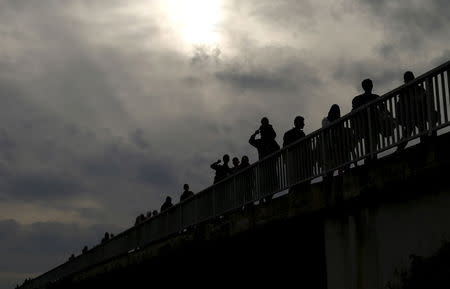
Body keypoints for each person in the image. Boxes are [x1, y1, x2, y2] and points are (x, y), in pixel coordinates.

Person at [396, 71, 437, 151]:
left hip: (417, 113)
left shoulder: (409, 89)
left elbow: (425, 99)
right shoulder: (405, 91)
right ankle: (400, 148)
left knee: (413, 130)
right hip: (412, 115)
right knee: (414, 130)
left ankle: (400, 148)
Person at [249, 117, 280, 203]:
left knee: (270, 183)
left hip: (269, 165)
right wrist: (255, 133)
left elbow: (276, 145)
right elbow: (251, 141)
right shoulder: (263, 141)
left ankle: (267, 198)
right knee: (266, 183)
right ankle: (264, 198)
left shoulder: (269, 140)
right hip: (265, 166)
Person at [351, 78, 380, 159]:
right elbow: (383, 109)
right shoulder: (375, 97)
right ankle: (371, 158)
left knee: (371, 143)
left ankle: (370, 159)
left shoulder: (358, 99)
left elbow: (353, 112)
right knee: (372, 143)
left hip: (367, 125)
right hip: (368, 124)